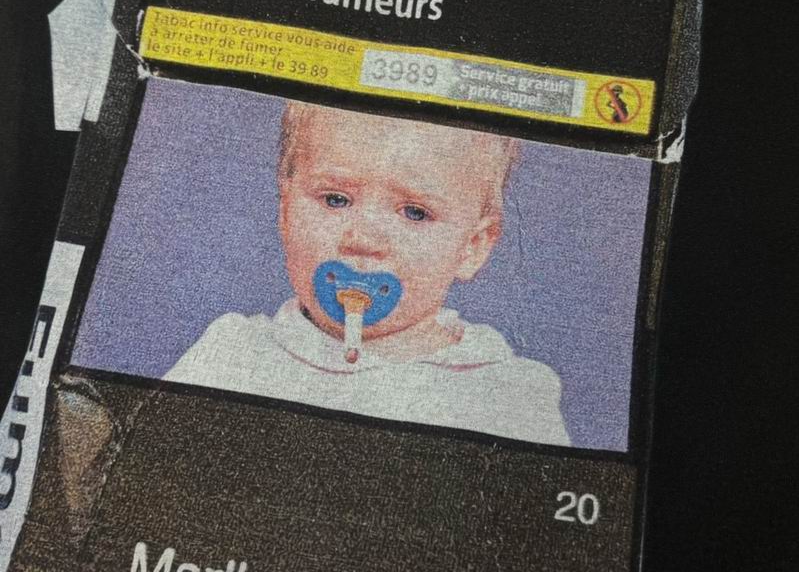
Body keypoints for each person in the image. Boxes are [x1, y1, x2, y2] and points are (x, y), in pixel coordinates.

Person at [165, 101, 570, 446]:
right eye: (335, 199)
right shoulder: (233, 352)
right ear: (285, 211)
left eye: (415, 213)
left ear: (472, 246)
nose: (363, 239)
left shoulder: (508, 394)